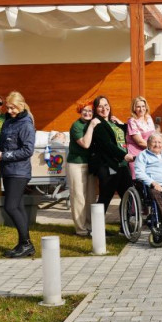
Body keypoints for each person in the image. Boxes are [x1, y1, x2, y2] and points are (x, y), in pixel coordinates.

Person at [0, 91, 36, 258]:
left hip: (19, 171)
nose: (9, 111)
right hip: (9, 170)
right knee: (18, 207)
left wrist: (4, 156)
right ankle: (24, 244)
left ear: (21, 106)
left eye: (12, 108)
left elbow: (27, 150)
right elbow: (4, 143)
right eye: (8, 107)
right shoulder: (9, 122)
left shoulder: (25, 124)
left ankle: (26, 244)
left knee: (10, 206)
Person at [88, 95, 135, 221]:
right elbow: (107, 145)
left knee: (128, 196)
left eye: (106, 105)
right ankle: (96, 229)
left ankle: (124, 226)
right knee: (105, 197)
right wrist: (123, 155)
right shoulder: (98, 124)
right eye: (100, 106)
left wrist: (121, 123)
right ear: (96, 109)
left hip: (122, 165)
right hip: (108, 165)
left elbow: (126, 135)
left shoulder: (112, 123)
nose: (104, 108)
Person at [66, 100, 96, 237]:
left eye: (90, 111)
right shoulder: (76, 126)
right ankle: (81, 229)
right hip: (76, 164)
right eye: (85, 110)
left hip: (91, 164)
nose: (88, 113)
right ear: (80, 111)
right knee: (79, 197)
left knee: (90, 197)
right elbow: (85, 144)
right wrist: (91, 127)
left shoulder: (94, 123)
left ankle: (90, 225)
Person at [126, 96, 155, 168]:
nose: (141, 109)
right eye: (138, 107)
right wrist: (155, 148)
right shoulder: (132, 121)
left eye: (143, 106)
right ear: (134, 108)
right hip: (137, 154)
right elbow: (140, 142)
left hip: (150, 151)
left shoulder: (148, 117)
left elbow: (154, 135)